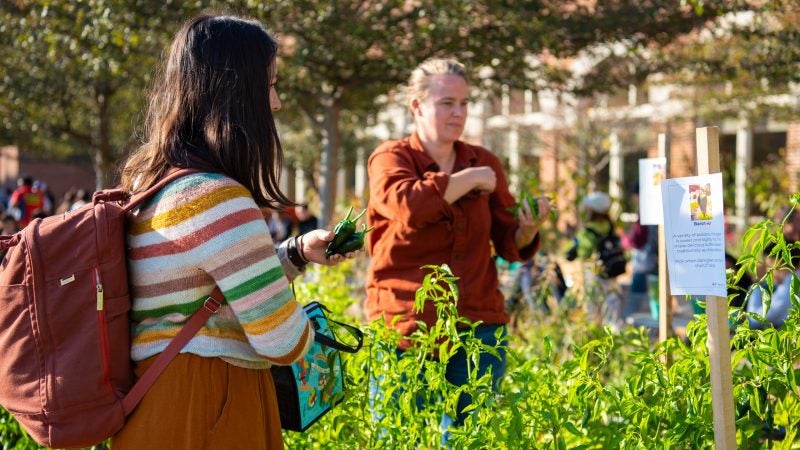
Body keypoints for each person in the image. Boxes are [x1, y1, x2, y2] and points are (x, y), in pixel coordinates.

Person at [112, 15, 356, 449]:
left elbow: (200, 290)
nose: (276, 103)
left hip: (155, 405)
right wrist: (304, 326)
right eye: (269, 86)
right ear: (235, 94)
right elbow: (282, 340)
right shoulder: (216, 198)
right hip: (211, 406)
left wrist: (294, 254)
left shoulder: (153, 183)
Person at [364, 57, 549, 438]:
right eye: (447, 103)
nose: (459, 113)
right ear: (416, 106)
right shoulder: (392, 158)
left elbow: (509, 242)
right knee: (399, 438)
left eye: (464, 103)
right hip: (407, 328)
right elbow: (409, 206)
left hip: (478, 327)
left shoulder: (485, 162)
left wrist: (528, 229)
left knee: (471, 440)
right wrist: (471, 180)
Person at [565, 191, 624, 326]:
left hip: (593, 273)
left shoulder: (588, 230)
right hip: (610, 272)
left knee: (592, 311)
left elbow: (584, 252)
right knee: (611, 310)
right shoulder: (610, 226)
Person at [622, 185, 658, 319]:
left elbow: (637, 239)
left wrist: (625, 239)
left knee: (636, 295)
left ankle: (629, 321)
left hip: (644, 259)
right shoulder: (656, 209)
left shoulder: (645, 212)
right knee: (656, 294)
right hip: (654, 258)